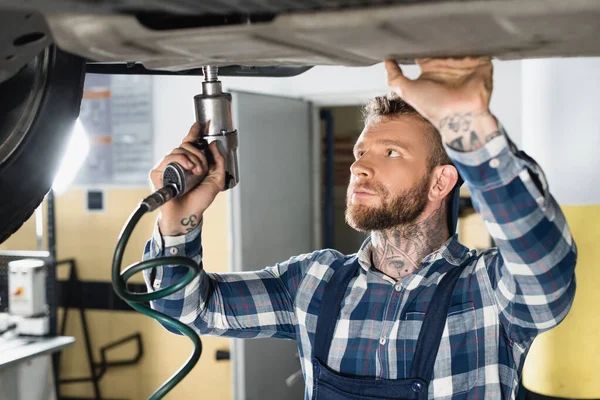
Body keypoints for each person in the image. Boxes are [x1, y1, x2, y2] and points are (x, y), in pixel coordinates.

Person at [142, 58, 577, 399]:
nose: (360, 167)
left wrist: (469, 126)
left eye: (389, 153)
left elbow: (543, 271)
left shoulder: (487, 291)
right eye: (360, 151)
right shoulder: (313, 282)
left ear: (441, 181)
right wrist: (179, 216)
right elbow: (185, 308)